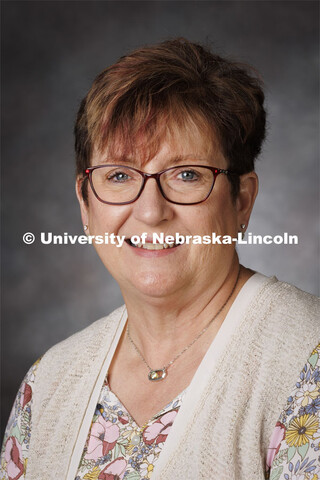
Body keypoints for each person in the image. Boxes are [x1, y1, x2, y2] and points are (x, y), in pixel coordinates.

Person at [1, 38, 319, 480]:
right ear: (85, 203)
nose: (151, 211)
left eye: (187, 174)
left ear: (241, 200)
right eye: (118, 175)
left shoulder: (308, 362)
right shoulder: (49, 381)